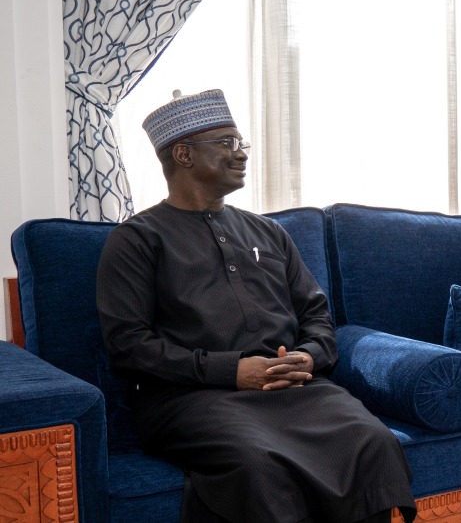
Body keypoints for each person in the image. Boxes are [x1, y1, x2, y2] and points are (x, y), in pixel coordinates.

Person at [96, 89, 417, 523]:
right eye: (227, 143)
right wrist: (231, 370)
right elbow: (128, 345)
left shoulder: (268, 232)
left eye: (241, 143)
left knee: (372, 442)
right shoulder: (136, 239)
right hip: (191, 398)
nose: (242, 153)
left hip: (295, 388)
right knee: (256, 464)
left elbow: (316, 314)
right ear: (184, 154)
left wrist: (308, 357)